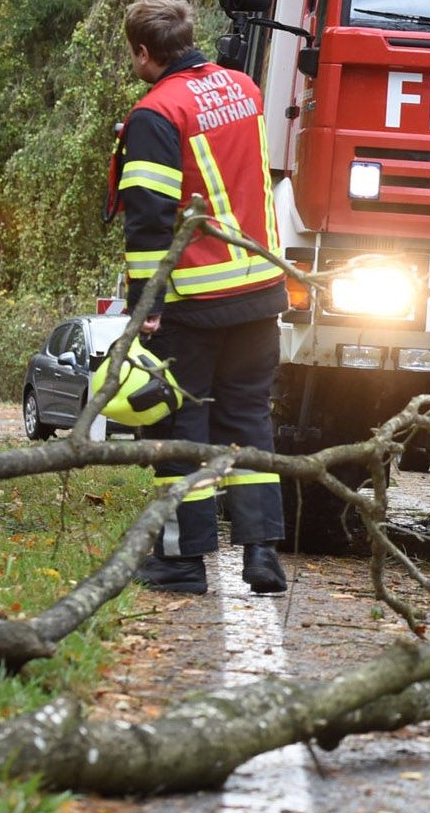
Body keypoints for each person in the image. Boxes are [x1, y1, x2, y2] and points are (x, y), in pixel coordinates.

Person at [112, 0, 287, 595]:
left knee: (182, 427)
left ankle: (183, 563)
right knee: (248, 422)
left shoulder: (155, 113)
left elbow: (150, 222)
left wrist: (148, 308)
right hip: (261, 292)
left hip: (194, 301)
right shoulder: (244, 89)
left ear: (142, 51)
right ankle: (262, 558)